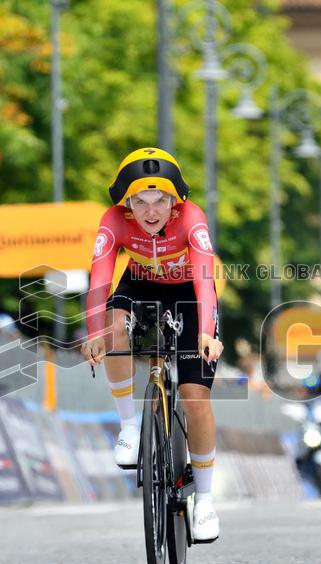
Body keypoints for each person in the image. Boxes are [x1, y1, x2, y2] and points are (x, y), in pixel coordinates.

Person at [80, 147, 223, 543]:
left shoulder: (191, 218)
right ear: (126, 203)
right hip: (140, 285)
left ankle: (205, 500)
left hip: (190, 294)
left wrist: (206, 332)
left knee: (195, 397)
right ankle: (129, 425)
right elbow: (99, 280)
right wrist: (93, 332)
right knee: (113, 325)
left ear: (174, 200)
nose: (151, 211)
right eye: (140, 201)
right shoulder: (113, 221)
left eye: (160, 200)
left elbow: (205, 280)